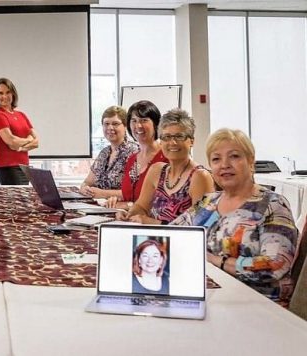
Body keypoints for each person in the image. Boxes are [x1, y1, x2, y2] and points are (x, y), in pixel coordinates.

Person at [172, 128, 297, 302]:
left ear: (251, 161)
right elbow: (171, 234)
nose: (224, 165)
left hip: (258, 306)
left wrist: (214, 260)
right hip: (208, 298)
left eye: (234, 156)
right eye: (216, 159)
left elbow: (274, 266)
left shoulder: (272, 205)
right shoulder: (208, 202)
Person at [117, 109, 215, 224]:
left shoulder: (200, 177)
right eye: (166, 137)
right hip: (154, 239)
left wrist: (152, 223)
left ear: (192, 141)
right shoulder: (156, 170)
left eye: (179, 136)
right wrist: (128, 214)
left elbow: (199, 226)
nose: (172, 142)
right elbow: (141, 206)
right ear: (161, 141)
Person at [106, 100, 168, 208]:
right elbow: (128, 196)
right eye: (134, 120)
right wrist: (117, 200)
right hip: (128, 220)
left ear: (156, 124)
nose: (138, 125)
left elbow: (166, 203)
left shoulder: (166, 158)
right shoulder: (132, 159)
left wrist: (128, 205)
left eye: (144, 120)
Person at [80, 105, 138, 198]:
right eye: (106, 124)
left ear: (126, 126)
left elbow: (136, 193)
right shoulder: (104, 153)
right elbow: (87, 182)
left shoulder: (134, 152)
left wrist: (103, 194)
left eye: (115, 124)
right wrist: (84, 188)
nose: (110, 128)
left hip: (121, 209)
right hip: (99, 206)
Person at [0, 78, 39, 185]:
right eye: (1, 93)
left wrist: (20, 147)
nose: (4, 96)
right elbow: (11, 141)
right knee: (16, 201)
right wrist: (28, 139)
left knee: (22, 200)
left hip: (24, 166)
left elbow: (36, 142)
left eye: (8, 92)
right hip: (8, 167)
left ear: (13, 94)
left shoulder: (21, 115)